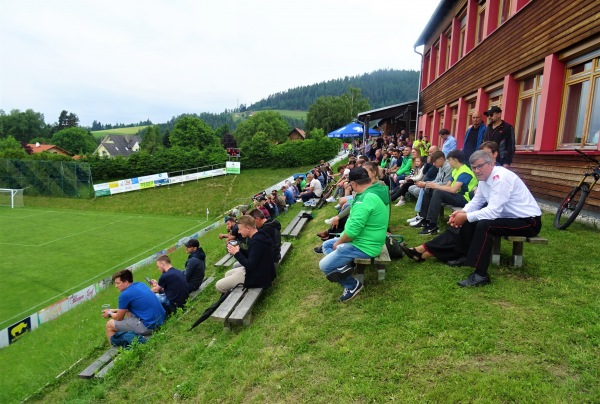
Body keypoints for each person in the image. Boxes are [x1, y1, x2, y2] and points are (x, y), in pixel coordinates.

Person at [400, 150, 542, 287]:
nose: (476, 170)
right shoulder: (484, 178)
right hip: (509, 217)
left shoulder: (501, 178)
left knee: (484, 225)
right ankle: (452, 254)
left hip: (528, 221)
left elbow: (493, 211)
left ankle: (481, 275)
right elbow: (477, 201)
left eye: (480, 166)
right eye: (474, 167)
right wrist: (462, 212)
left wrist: (466, 216)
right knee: (471, 220)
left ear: (491, 163)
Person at [318, 167, 389, 303]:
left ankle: (352, 285)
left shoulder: (365, 200)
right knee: (326, 244)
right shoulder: (373, 192)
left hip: (365, 246)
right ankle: (344, 267)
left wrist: (338, 243)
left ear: (354, 184)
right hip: (367, 240)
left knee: (324, 265)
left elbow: (351, 233)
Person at [410, 150, 477, 235]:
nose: (448, 163)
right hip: (458, 195)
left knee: (438, 192)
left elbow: (453, 189)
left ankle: (432, 225)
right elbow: (448, 186)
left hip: (465, 198)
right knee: (429, 189)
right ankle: (424, 218)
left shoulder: (465, 172)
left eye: (449, 160)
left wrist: (436, 186)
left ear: (455, 160)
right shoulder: (456, 170)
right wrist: (432, 186)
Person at [103, 269, 165, 345]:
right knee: (129, 312)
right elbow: (129, 307)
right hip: (161, 319)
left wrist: (109, 313)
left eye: (118, 283)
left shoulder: (125, 294)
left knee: (109, 324)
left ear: (126, 282)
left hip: (150, 326)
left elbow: (119, 317)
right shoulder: (140, 284)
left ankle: (115, 350)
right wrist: (114, 310)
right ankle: (130, 335)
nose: (116, 286)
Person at [215, 215, 276, 293]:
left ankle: (234, 299)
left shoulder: (257, 242)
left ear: (248, 228)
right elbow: (252, 256)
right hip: (261, 271)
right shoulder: (260, 235)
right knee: (227, 273)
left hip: (258, 277)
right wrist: (240, 250)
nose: (239, 232)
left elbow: (249, 265)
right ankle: (232, 294)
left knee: (219, 285)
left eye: (240, 229)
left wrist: (236, 253)